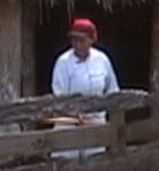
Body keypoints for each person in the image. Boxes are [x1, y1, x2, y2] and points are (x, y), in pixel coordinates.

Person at [49, 18, 120, 158]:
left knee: (95, 161)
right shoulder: (63, 62)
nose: (77, 43)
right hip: (70, 122)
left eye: (81, 40)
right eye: (74, 40)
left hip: (96, 121)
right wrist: (74, 115)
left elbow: (112, 90)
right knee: (67, 162)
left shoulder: (102, 60)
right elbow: (59, 94)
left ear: (91, 39)